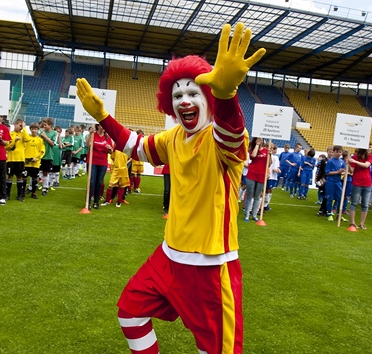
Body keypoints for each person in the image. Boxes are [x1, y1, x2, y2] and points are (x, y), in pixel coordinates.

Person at [76, 22, 265, 354]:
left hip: (210, 266)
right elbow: (135, 146)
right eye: (177, 95)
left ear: (207, 96)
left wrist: (226, 96)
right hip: (168, 257)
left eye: (193, 92)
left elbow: (232, 133)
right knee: (130, 313)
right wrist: (104, 117)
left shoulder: (220, 138)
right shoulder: (173, 137)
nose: (184, 100)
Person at [86, 124, 114, 209]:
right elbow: (87, 144)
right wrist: (90, 134)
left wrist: (109, 149)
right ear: (98, 126)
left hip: (102, 163)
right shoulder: (93, 135)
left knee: (99, 183)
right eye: (102, 126)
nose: (104, 128)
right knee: (92, 182)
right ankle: (88, 202)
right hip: (92, 162)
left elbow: (111, 152)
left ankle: (96, 202)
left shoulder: (107, 138)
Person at [348, 148, 372, 230]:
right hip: (357, 182)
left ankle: (362, 223)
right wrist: (348, 164)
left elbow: (366, 165)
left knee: (365, 205)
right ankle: (352, 222)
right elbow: (352, 171)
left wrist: (355, 162)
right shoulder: (355, 157)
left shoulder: (369, 156)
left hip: (367, 183)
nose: (370, 148)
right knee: (354, 203)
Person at [6, 118, 30, 201]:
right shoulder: (10, 134)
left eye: (22, 125)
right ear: (15, 124)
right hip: (11, 159)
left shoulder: (23, 134)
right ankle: (7, 195)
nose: (20, 127)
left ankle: (20, 195)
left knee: (20, 177)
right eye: (19, 125)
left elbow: (28, 139)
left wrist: (24, 128)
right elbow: (7, 147)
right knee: (9, 176)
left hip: (20, 159)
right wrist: (14, 141)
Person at [244, 137, 268, 222]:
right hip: (252, 175)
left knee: (258, 196)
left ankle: (254, 214)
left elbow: (268, 164)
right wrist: (257, 145)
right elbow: (253, 156)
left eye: (261, 139)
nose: (260, 140)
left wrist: (270, 154)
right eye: (258, 139)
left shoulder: (266, 150)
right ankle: (247, 214)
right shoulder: (252, 149)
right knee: (250, 195)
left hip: (261, 176)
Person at [23, 122, 45, 199]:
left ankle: (33, 193)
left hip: (35, 162)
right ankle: (22, 193)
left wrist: (37, 158)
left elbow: (42, 151)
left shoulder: (40, 140)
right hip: (27, 162)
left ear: (37, 130)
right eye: (32, 129)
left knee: (35, 178)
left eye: (35, 129)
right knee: (24, 178)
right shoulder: (27, 139)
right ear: (30, 129)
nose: (34, 130)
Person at [325, 145, 345, 222]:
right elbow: (327, 172)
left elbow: (344, 170)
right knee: (330, 198)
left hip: (338, 182)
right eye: (337, 152)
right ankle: (329, 214)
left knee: (340, 199)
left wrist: (344, 172)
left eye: (340, 152)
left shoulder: (342, 161)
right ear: (334, 152)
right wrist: (337, 172)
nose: (339, 154)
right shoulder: (330, 161)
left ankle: (338, 215)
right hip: (330, 182)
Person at [39, 118, 57, 196]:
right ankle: (31, 187)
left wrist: (45, 137)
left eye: (45, 125)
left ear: (50, 125)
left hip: (48, 155)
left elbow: (53, 144)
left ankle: (45, 188)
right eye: (43, 124)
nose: (44, 126)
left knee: (45, 172)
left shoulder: (54, 133)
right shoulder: (41, 132)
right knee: (36, 171)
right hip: (39, 155)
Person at [264, 143, 280, 210]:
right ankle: (264, 205)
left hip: (274, 176)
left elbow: (276, 166)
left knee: (270, 190)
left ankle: (267, 204)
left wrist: (278, 170)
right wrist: (276, 170)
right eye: (273, 148)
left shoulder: (276, 157)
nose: (274, 150)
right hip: (269, 176)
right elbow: (271, 167)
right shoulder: (270, 156)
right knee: (267, 190)